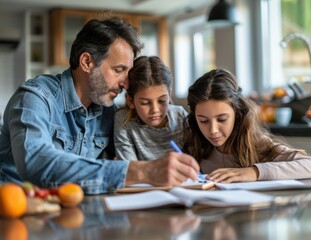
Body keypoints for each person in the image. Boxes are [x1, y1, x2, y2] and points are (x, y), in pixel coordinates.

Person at [0, 17, 199, 194]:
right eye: (118, 70)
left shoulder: (108, 112)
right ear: (87, 62)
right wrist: (143, 170)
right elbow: (35, 163)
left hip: (74, 214)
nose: (126, 84)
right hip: (16, 215)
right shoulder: (34, 98)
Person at [183, 68, 311, 183]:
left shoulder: (257, 145)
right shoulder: (194, 146)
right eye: (203, 121)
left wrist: (254, 172)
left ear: (237, 114)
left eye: (222, 119)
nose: (213, 130)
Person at [114, 56, 188, 160]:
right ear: (130, 101)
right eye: (145, 103)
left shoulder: (181, 116)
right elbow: (128, 168)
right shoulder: (124, 120)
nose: (155, 110)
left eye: (162, 100)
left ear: (169, 95)